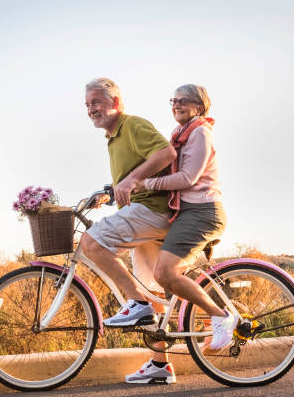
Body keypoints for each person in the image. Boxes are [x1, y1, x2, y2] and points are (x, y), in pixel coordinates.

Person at [127, 84, 233, 383]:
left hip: (203, 212)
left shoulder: (200, 132)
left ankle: (221, 317)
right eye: (173, 100)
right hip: (186, 214)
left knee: (165, 272)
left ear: (200, 106)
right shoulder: (179, 136)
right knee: (155, 279)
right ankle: (159, 364)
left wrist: (144, 184)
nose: (176, 104)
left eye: (184, 100)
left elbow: (188, 178)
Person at [77, 78, 177, 383]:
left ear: (115, 102)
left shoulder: (131, 125)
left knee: (90, 242)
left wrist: (132, 180)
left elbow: (166, 154)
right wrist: (109, 192)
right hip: (141, 213)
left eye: (96, 102)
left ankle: (136, 302)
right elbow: (129, 176)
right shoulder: (112, 138)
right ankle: (161, 365)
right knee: (155, 292)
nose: (91, 109)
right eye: (87, 105)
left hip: (152, 210)